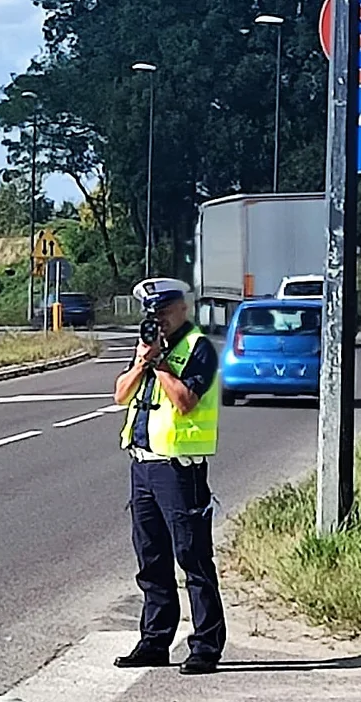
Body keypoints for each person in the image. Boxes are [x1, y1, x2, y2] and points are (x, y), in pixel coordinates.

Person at [112, 277, 226, 675]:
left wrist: (160, 364)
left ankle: (206, 646)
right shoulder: (147, 348)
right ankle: (155, 641)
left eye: (162, 311)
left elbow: (185, 402)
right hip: (142, 465)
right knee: (151, 559)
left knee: (192, 558)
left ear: (183, 308)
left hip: (180, 469)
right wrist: (143, 361)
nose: (156, 318)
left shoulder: (200, 349)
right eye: (151, 312)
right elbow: (120, 394)